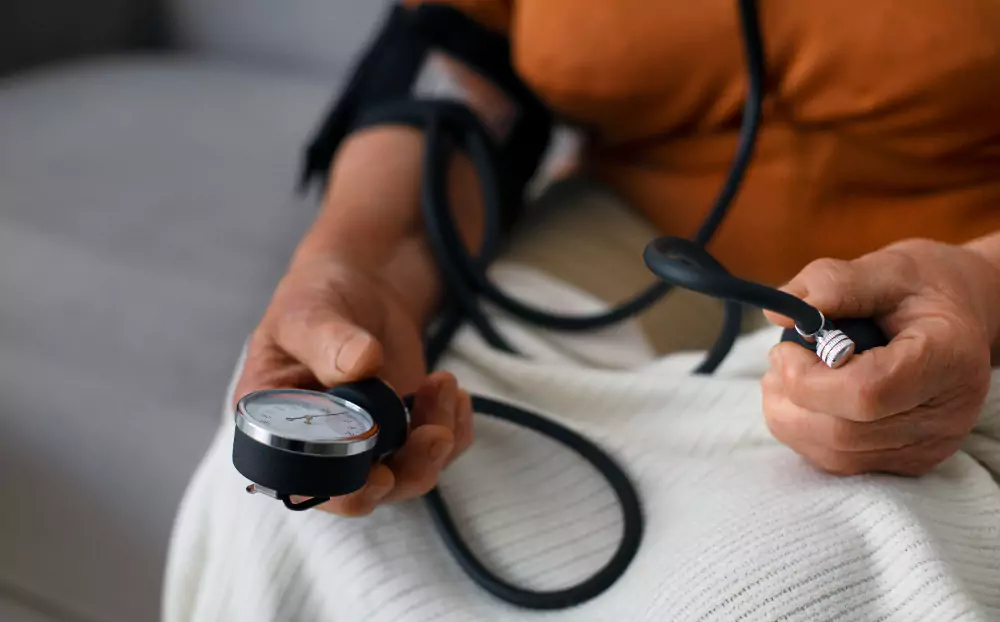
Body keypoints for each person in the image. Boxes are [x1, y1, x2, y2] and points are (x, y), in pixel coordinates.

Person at [232, 0, 1000, 519]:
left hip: (949, 283)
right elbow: (459, 51)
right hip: (636, 237)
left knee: (802, 584)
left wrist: (980, 286)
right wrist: (357, 262)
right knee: (315, 520)